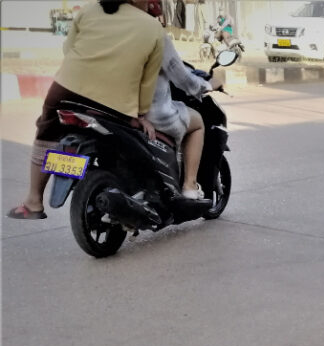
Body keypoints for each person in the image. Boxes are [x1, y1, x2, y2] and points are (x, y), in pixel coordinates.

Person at [7, 0, 165, 220]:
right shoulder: (153, 27)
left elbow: (68, 49)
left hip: (66, 90)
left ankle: (33, 200)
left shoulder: (90, 9)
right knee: (125, 141)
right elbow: (148, 80)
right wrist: (141, 115)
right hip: (116, 101)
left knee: (47, 132)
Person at [141, 1, 225, 199]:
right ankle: (189, 185)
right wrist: (209, 85)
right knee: (198, 123)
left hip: (113, 107)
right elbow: (183, 78)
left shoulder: (110, 32)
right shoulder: (155, 35)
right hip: (152, 112)